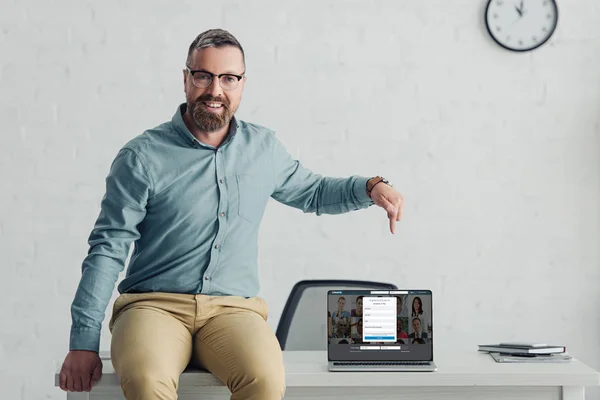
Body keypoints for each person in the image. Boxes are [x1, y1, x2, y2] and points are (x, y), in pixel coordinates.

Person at [58, 28, 404, 400]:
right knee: (146, 380)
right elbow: (108, 249)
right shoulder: (141, 157)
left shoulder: (263, 148)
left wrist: (371, 186)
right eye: (203, 76)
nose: (215, 90)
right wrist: (83, 341)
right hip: (153, 307)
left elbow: (314, 191)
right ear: (186, 79)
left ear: (242, 83)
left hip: (233, 310)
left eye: (228, 78)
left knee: (265, 380)